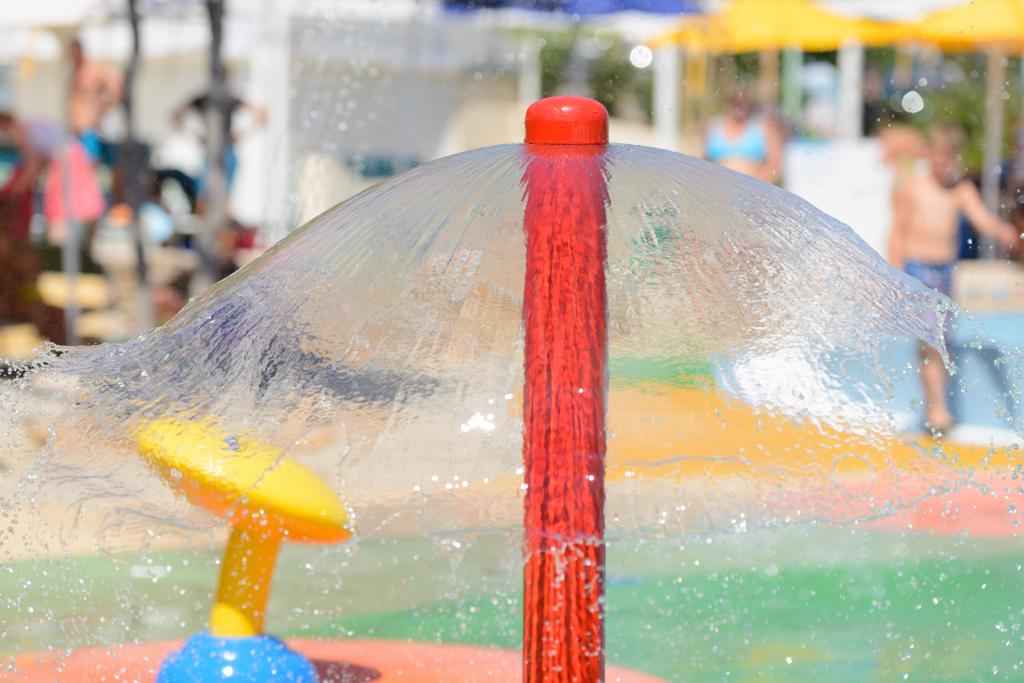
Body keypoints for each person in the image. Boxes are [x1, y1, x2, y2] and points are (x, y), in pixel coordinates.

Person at [888, 123, 1020, 433]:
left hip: (944, 274)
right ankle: (937, 408)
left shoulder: (960, 191)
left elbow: (984, 220)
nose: (943, 164)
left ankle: (935, 406)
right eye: (938, 157)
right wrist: (894, 275)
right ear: (929, 155)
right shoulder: (913, 187)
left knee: (941, 342)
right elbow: (897, 232)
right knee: (931, 339)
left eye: (949, 158)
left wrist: (1006, 232)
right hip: (917, 270)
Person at [704, 89, 783, 183]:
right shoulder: (714, 126)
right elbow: (702, 160)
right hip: (718, 188)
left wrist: (756, 186)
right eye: (735, 101)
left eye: (743, 102)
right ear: (728, 103)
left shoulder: (762, 127)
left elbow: (775, 164)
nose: (739, 106)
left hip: (752, 189)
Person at [67, 38, 123, 163]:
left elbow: (115, 82)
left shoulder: (92, 69)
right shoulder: (76, 72)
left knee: (93, 163)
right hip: (78, 130)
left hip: (91, 128)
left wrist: (103, 106)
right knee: (79, 165)